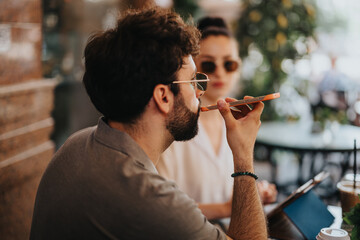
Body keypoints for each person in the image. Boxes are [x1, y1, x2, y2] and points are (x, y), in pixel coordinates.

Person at [30, 7, 267, 240]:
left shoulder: (76, 144)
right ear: (163, 97)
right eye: (193, 81)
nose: (199, 92)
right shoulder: (152, 198)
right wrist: (244, 154)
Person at [157, 16, 277, 221]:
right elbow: (160, 208)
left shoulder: (235, 122)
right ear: (192, 69)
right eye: (209, 65)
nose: (220, 72)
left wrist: (253, 191)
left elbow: (228, 186)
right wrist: (229, 207)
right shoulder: (174, 126)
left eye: (229, 64)